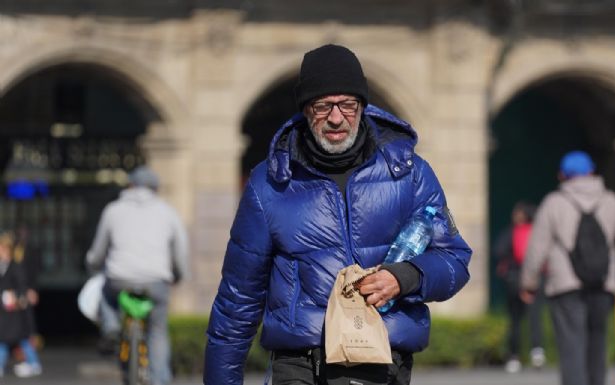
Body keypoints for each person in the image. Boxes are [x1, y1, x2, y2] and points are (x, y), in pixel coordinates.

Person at [204, 44, 472, 385]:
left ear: (362, 106)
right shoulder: (268, 183)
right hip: (299, 365)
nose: (335, 117)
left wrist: (406, 277)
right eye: (322, 106)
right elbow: (238, 298)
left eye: (347, 104)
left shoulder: (410, 173)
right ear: (305, 110)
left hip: (382, 362)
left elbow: (455, 258)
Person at [520, 151, 615, 385]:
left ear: (562, 175)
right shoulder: (611, 201)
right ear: (592, 172)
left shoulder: (554, 203)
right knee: (597, 343)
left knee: (571, 347)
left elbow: (537, 248)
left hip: (566, 286)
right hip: (603, 284)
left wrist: (529, 283)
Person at [86, 165, 190, 385]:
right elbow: (181, 248)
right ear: (155, 188)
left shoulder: (112, 210)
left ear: (130, 185)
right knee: (157, 330)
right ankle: (160, 379)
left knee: (105, 293)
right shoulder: (167, 211)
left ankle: (112, 327)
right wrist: (179, 274)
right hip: (156, 281)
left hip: (119, 279)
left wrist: (93, 265)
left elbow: (98, 252)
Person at [494, 201, 545, 373]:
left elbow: (499, 250)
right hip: (535, 279)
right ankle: (537, 352)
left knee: (515, 320)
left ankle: (514, 356)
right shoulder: (537, 233)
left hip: (515, 279)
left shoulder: (511, 232)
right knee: (534, 317)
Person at [0, 230, 42, 378]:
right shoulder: (3, 266)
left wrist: (16, 295)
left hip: (15, 310)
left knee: (19, 337)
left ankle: (33, 363)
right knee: (4, 339)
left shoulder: (15, 266)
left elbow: (23, 286)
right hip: (4, 311)